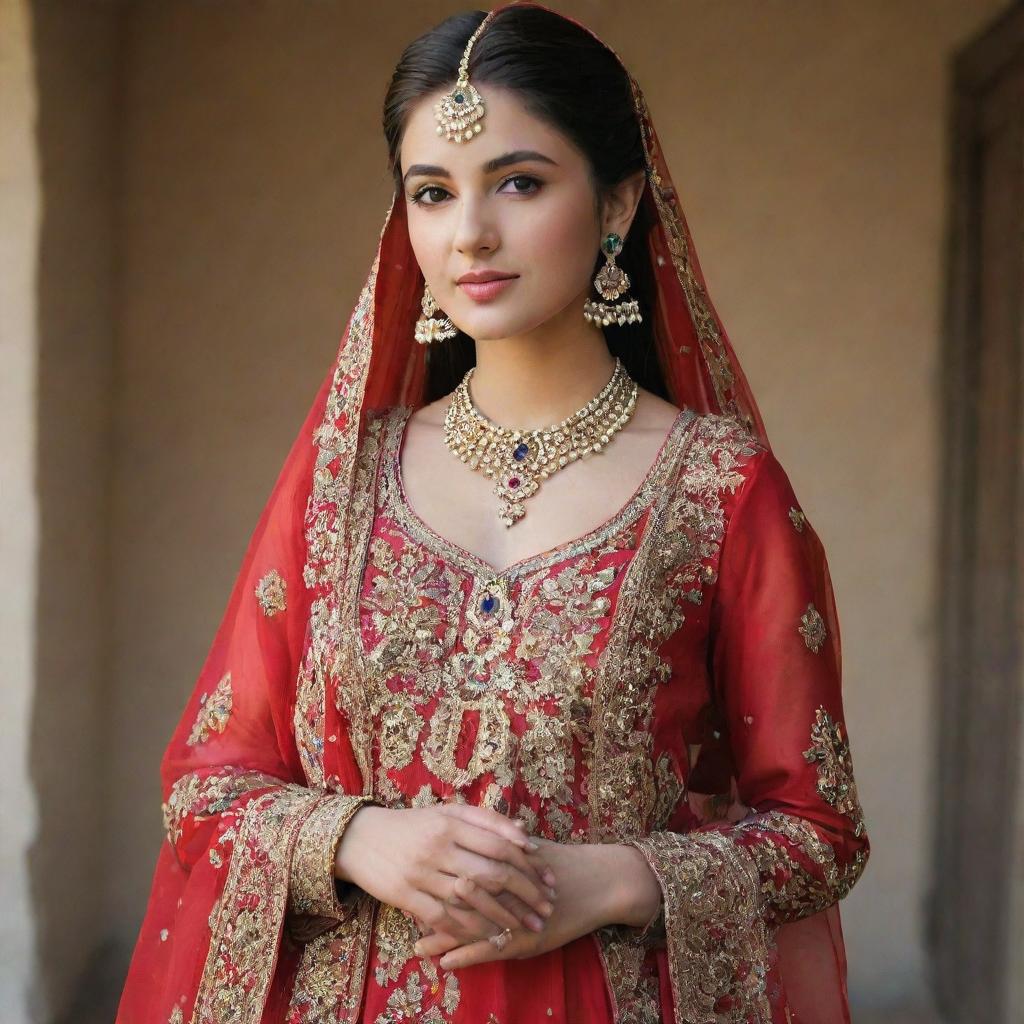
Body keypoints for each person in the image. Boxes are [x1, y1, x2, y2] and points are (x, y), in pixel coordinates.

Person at [116, 3, 871, 1022]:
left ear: (617, 203)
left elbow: (814, 831)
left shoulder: (720, 489)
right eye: (431, 192)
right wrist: (353, 837)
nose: (468, 232)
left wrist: (606, 879)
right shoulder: (345, 479)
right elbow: (206, 787)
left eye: (518, 182)